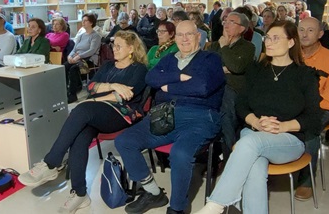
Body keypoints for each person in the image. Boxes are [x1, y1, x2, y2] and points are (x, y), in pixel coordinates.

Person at [195, 20, 322, 214]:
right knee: (255, 167)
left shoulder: (305, 75)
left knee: (248, 144)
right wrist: (255, 121)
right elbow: (241, 104)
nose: (268, 42)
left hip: (288, 140)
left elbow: (314, 117)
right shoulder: (256, 70)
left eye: (276, 38)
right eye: (267, 38)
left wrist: (283, 126)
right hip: (253, 132)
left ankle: (217, 204)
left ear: (291, 42)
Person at [18, 31, 148, 213]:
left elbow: (122, 97)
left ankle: (51, 163)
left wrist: (93, 99)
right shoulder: (108, 65)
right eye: (113, 45)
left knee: (82, 109)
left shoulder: (139, 70)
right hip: (94, 113)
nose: (114, 49)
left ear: (132, 49)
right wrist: (112, 85)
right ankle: (79, 194)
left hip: (120, 114)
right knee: (80, 136)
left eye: (119, 46)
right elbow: (91, 86)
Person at [116, 21, 225, 214]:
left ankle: (176, 209)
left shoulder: (211, 59)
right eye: (180, 35)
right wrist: (183, 77)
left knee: (180, 153)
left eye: (189, 34)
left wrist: (168, 86)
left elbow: (202, 88)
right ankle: (153, 193)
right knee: (125, 141)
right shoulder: (168, 59)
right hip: (164, 115)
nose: (184, 39)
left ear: (198, 37)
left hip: (199, 117)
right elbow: (151, 78)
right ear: (174, 38)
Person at [295, 16, 329, 200]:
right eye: (301, 29)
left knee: (310, 128)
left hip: (319, 108)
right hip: (291, 105)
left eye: (310, 30)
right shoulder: (291, 54)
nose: (305, 34)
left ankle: (306, 180)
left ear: (320, 34)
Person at [207, 12, 255, 159]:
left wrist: (225, 47)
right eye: (225, 21)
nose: (226, 24)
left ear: (242, 29)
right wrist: (225, 69)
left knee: (225, 110)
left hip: (234, 90)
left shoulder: (247, 47)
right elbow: (206, 67)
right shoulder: (213, 45)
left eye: (231, 22)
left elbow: (237, 67)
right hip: (211, 87)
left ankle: (230, 157)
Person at [65, 13, 101, 103]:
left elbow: (92, 50)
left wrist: (78, 56)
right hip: (77, 57)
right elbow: (75, 48)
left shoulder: (95, 36)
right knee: (64, 67)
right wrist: (70, 56)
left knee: (73, 69)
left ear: (91, 23)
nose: (83, 22)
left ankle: (73, 95)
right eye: (82, 21)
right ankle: (66, 91)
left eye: (85, 21)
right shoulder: (81, 35)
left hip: (89, 60)